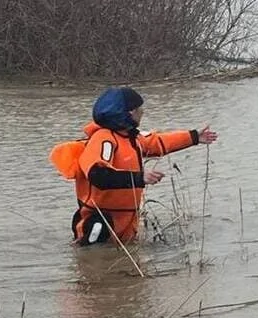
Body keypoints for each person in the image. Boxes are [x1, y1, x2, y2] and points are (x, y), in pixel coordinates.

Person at [60, 86, 218, 246]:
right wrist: (138, 177)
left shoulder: (131, 136)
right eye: (139, 108)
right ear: (129, 112)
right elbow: (98, 175)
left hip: (127, 221)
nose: (142, 111)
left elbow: (158, 142)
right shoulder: (103, 139)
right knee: (94, 258)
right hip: (99, 221)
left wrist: (194, 137)